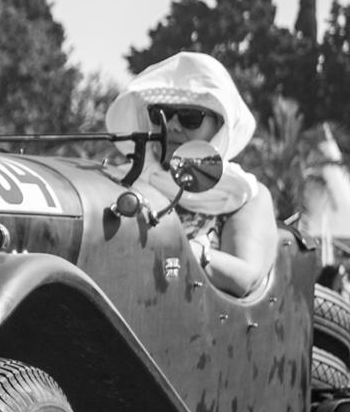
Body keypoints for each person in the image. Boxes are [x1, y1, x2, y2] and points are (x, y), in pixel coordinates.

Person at [104, 50, 276, 298]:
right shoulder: (119, 179)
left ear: (219, 126)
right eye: (161, 115)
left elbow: (244, 277)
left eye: (190, 118)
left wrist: (178, 247)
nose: (172, 125)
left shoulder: (244, 194)